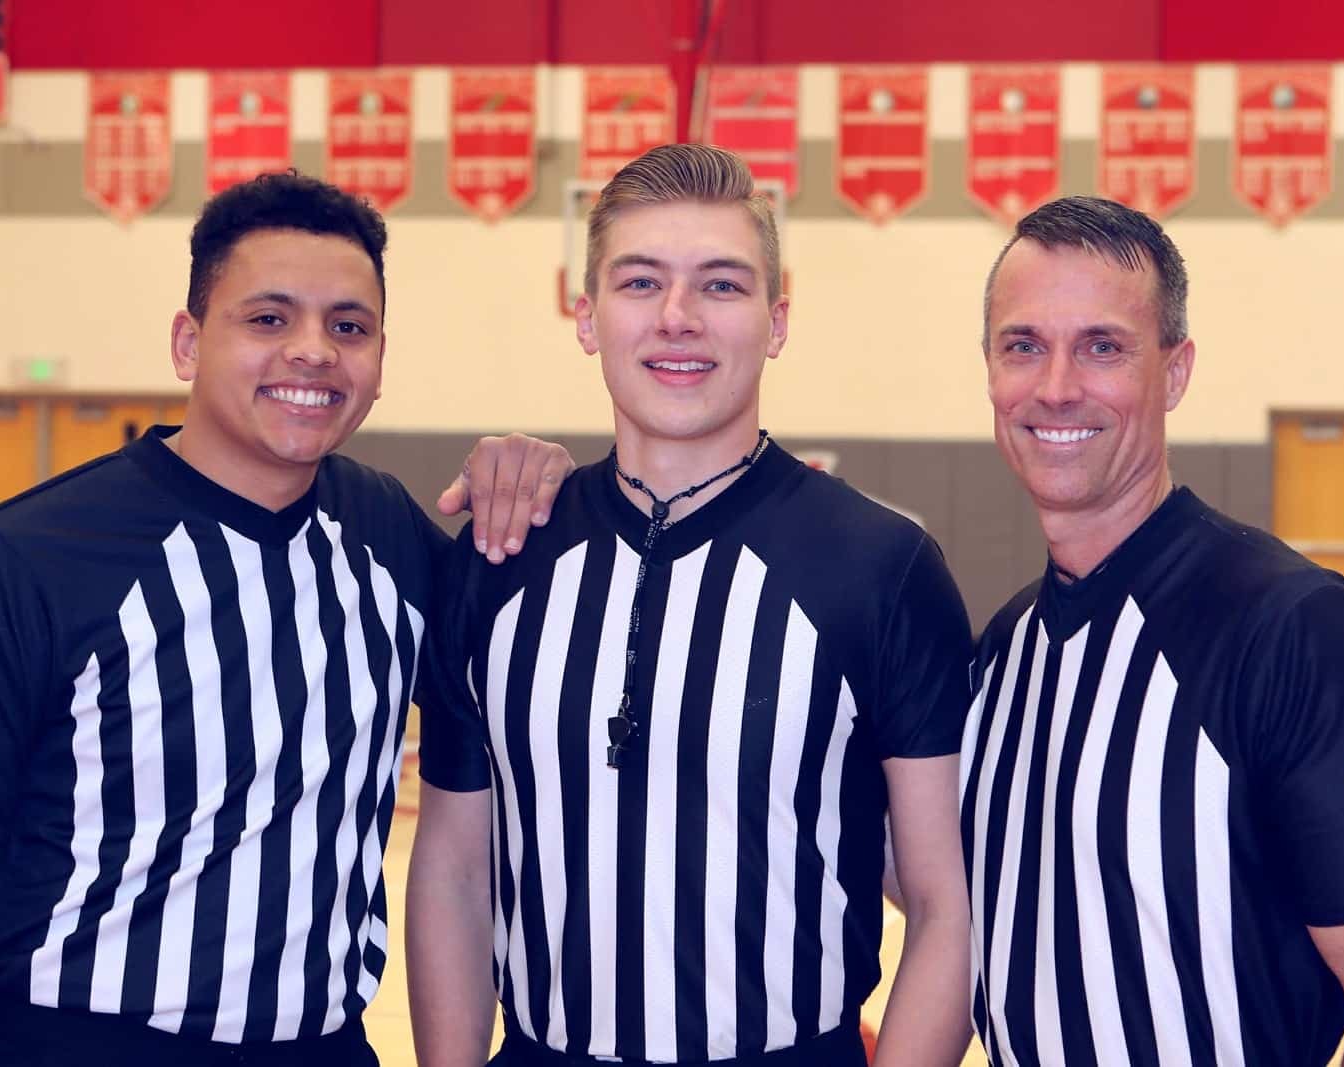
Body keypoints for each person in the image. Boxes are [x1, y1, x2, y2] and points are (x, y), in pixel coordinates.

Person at [0, 172, 573, 1067]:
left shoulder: (392, 537)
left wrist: (528, 465)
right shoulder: (26, 557)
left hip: (326, 1046)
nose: (313, 351)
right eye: (269, 318)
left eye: (348, 326)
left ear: (381, 359)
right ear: (187, 341)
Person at [406, 143, 975, 1067]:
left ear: (777, 320)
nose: (677, 319)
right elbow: (455, 871)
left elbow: (947, 903)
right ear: (585, 316)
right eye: (640, 283)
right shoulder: (499, 554)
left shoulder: (882, 566)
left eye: (720, 285)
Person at [961, 196, 1344, 1065]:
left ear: (1176, 372)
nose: (1056, 385)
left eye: (1103, 346)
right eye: (1024, 345)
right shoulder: (1004, 656)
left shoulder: (1307, 634)